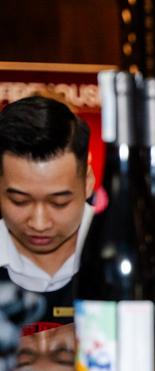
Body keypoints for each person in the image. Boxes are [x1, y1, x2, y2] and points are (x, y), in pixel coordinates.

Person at [0, 96, 95, 333]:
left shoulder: (123, 253)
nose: (39, 223)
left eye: (59, 202)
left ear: (88, 182)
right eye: (20, 201)